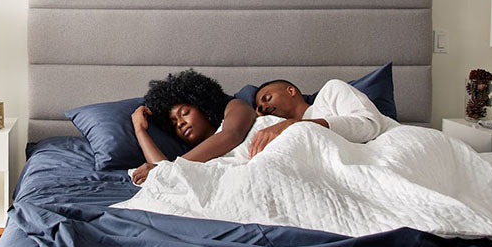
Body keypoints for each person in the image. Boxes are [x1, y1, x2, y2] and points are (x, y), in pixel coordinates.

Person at [130, 70, 255, 185]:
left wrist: (169, 168)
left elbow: (232, 134)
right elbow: (161, 176)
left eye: (185, 113)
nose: (180, 123)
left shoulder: (235, 105)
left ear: (203, 107)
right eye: (174, 124)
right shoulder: (193, 160)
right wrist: (140, 130)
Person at [250, 79, 399, 157]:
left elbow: (368, 125)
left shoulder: (330, 91)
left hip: (394, 145)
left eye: (267, 98)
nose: (263, 107)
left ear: (291, 91)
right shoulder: (275, 131)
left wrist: (294, 124)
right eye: (260, 108)